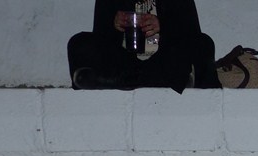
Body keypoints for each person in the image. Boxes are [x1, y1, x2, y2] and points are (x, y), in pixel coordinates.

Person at [67, 0, 221, 91]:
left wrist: (163, 25)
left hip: (164, 61)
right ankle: (163, 79)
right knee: (78, 42)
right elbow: (101, 41)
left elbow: (192, 34)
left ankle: (122, 80)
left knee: (203, 43)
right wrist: (113, 24)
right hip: (125, 64)